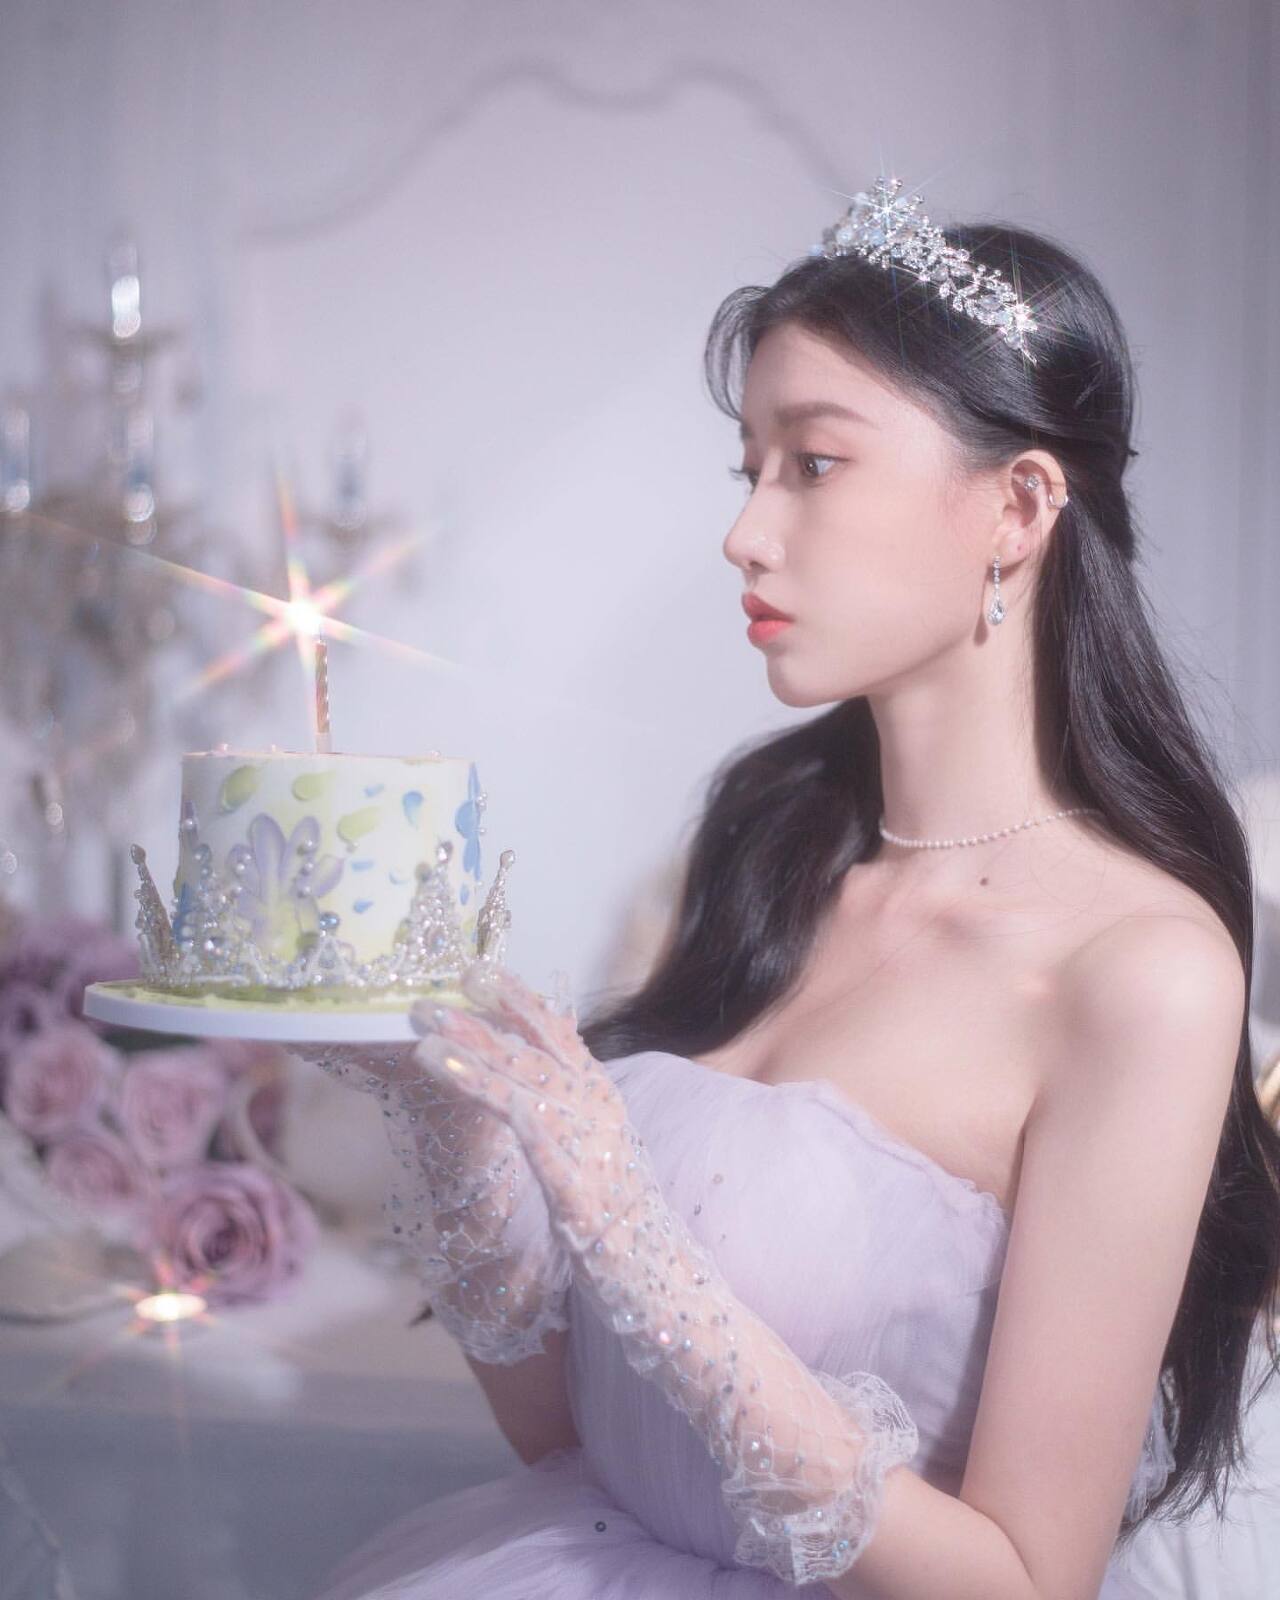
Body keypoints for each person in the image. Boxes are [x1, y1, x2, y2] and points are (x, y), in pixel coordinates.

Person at [311, 176, 1279, 1598]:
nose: (747, 533)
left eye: (814, 464)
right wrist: (453, 1125)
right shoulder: (776, 846)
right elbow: (578, 1445)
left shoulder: (1142, 973)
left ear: (1018, 506)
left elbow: (1027, 1581)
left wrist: (640, 1247)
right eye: (749, 468)